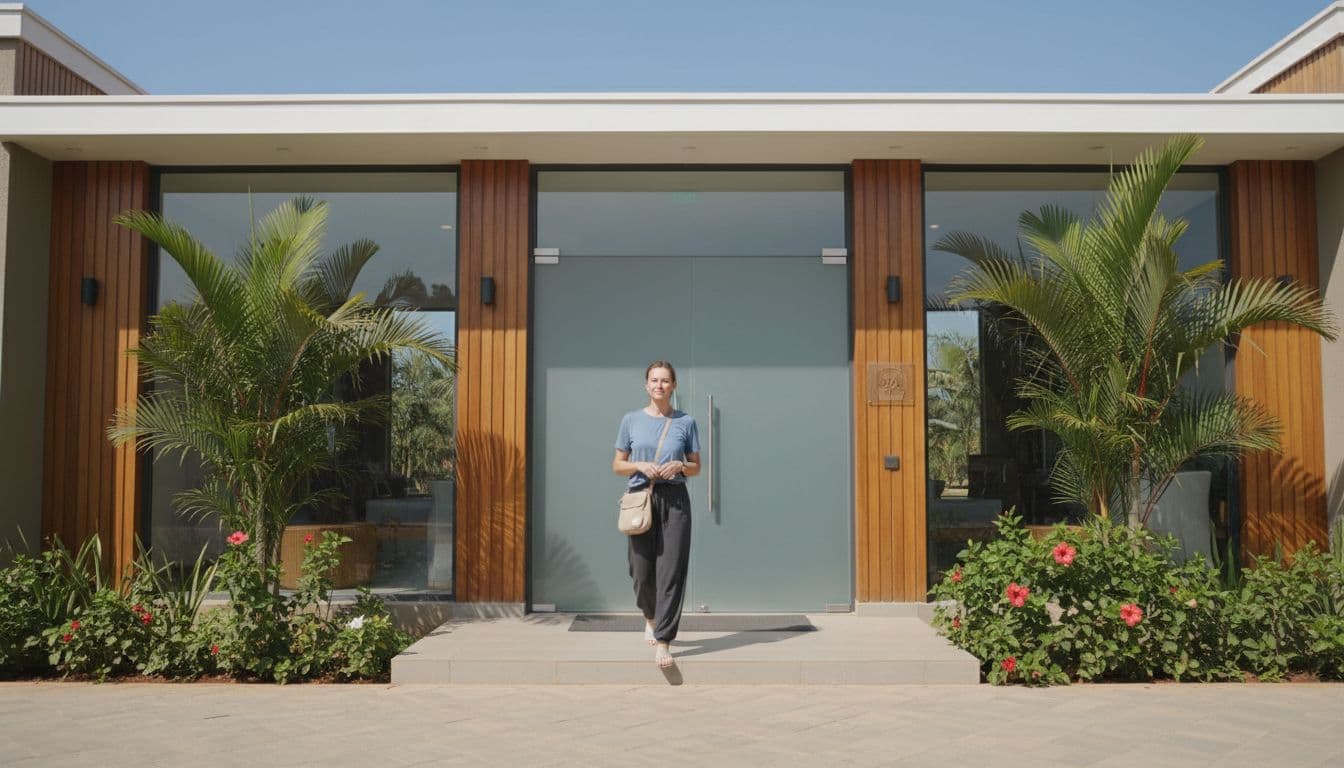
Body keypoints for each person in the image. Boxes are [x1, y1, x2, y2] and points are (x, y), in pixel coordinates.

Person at [612, 360, 700, 668]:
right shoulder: (631, 420)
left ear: (673, 385)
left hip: (675, 500)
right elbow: (617, 464)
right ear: (646, 385)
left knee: (671, 571)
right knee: (641, 572)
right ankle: (650, 616)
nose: (659, 385)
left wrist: (680, 466)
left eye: (665, 380)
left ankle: (664, 641)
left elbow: (696, 467)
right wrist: (639, 465)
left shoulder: (686, 422)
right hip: (640, 498)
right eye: (654, 380)